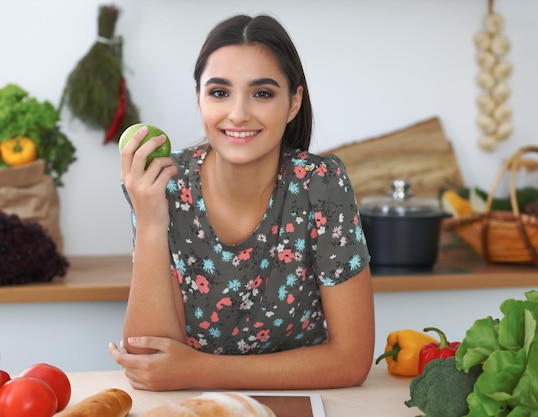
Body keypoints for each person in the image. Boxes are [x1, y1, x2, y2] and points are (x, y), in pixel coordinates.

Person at [110, 14, 375, 391]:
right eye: (219, 92)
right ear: (199, 98)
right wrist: (151, 221)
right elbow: (150, 363)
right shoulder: (165, 184)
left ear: (294, 102)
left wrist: (198, 370)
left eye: (262, 93)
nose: (238, 113)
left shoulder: (321, 185)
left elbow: (351, 361)